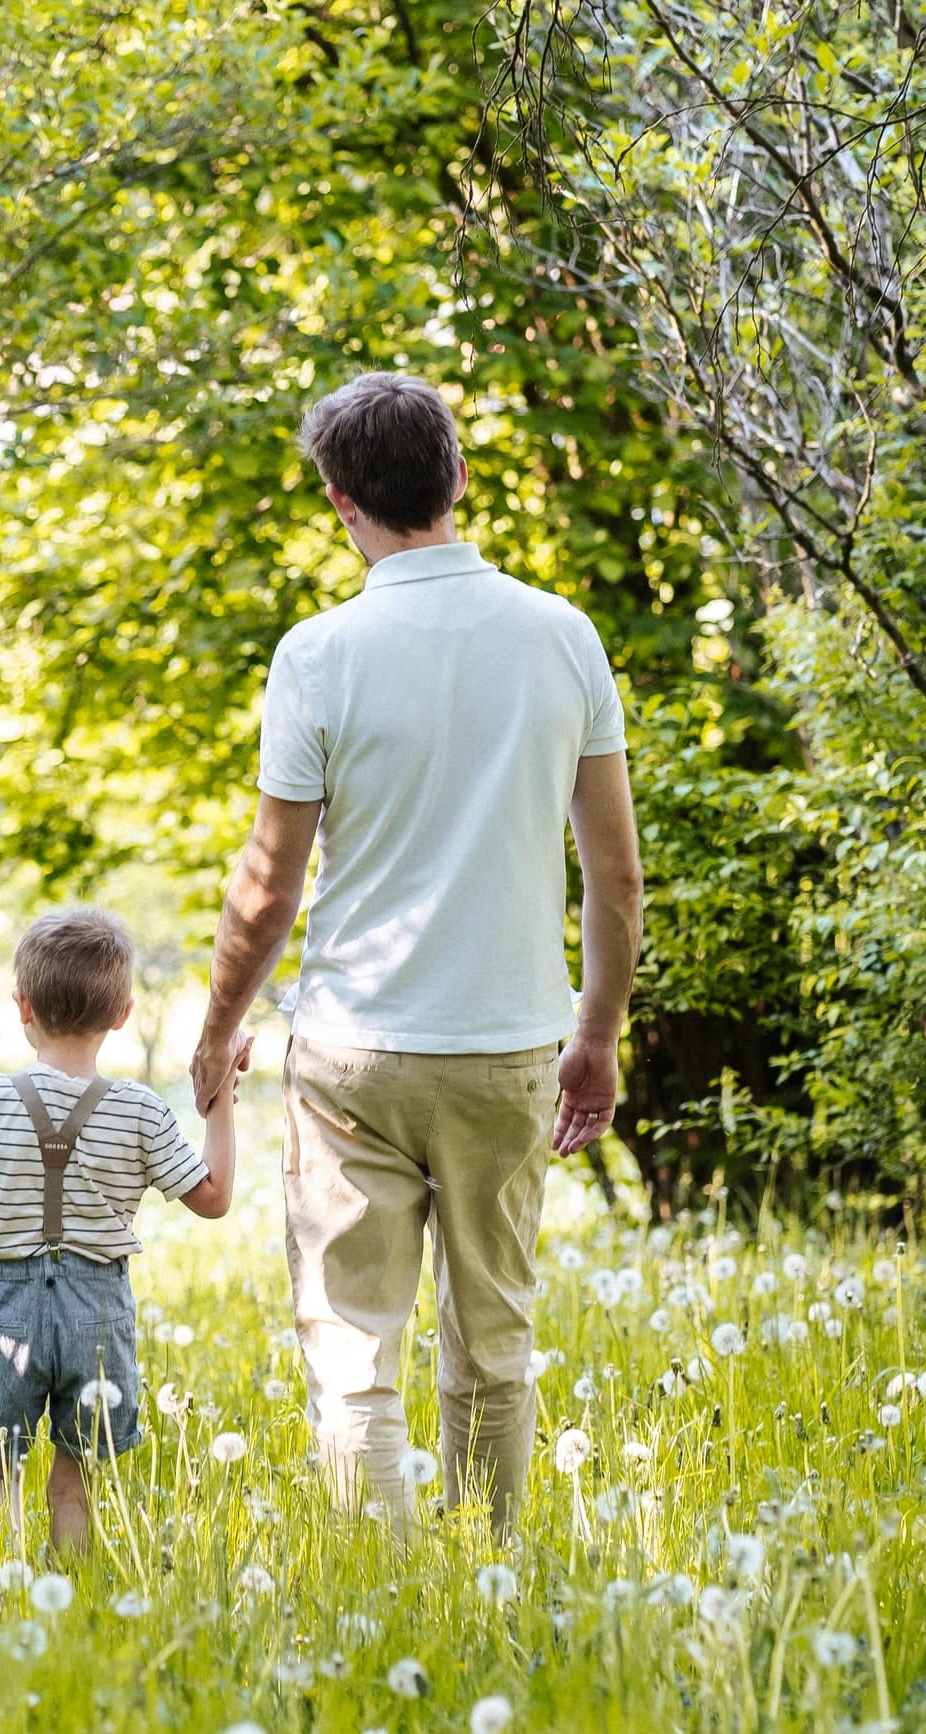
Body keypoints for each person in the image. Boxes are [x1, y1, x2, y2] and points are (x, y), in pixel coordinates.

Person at [187, 371, 643, 1536]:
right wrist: (596, 1038)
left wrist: (217, 1024)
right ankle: (491, 1570)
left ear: (342, 501)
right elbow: (614, 873)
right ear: (459, 479)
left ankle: (380, 1592)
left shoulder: (318, 653)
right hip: (508, 1043)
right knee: (495, 1333)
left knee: (353, 1350)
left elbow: (268, 885)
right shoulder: (564, 635)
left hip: (353, 1051)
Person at [0, 908, 245, 1554]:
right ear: (122, 1015)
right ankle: (71, 1587)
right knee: (74, 1474)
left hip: (3, 1306)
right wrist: (222, 1097)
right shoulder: (139, 1111)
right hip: (97, 1312)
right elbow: (215, 1197)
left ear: (22, 1006)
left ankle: (8, 1585)